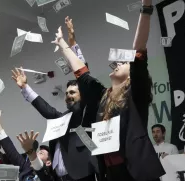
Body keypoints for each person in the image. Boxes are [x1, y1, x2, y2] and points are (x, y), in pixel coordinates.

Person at [50, 0, 164, 180]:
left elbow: (139, 49)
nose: (118, 63)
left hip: (135, 171)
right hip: (110, 173)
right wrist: (63, 44)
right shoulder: (103, 96)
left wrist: (146, 8)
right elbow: (81, 72)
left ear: (132, 76)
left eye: (124, 63)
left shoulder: (135, 94)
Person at [10, 16, 98, 181]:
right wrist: (25, 88)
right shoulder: (63, 118)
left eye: (73, 92)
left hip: (84, 175)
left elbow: (85, 79)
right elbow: (47, 110)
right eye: (66, 93)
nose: (68, 96)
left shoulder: (84, 112)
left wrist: (72, 42)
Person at [0, 106, 54, 181]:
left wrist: (30, 151)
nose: (37, 153)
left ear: (48, 162)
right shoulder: (26, 168)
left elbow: (38, 166)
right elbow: (11, 151)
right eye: (38, 152)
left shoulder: (48, 177)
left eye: (41, 153)